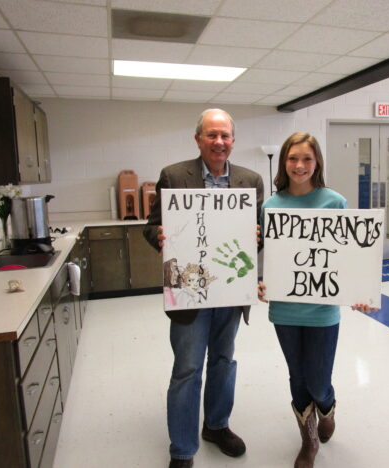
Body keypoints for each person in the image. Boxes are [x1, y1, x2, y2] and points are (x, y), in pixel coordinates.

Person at [143, 109, 264, 468]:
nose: (219, 142)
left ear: (233, 141)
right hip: (188, 289)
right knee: (188, 367)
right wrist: (159, 236)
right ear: (198, 139)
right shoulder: (173, 176)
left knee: (224, 361)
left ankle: (216, 425)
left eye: (225, 135)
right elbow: (150, 226)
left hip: (230, 288)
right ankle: (182, 448)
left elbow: (259, 234)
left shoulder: (250, 180)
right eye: (211, 135)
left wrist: (257, 235)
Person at [258, 132, 375, 468]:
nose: (299, 165)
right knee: (297, 378)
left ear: (317, 162)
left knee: (318, 381)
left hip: (323, 311)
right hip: (285, 310)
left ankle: (327, 407)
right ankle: (308, 441)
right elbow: (269, 255)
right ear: (284, 162)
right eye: (293, 158)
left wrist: (360, 290)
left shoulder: (334, 202)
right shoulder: (271, 205)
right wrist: (261, 283)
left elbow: (349, 256)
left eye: (307, 159)